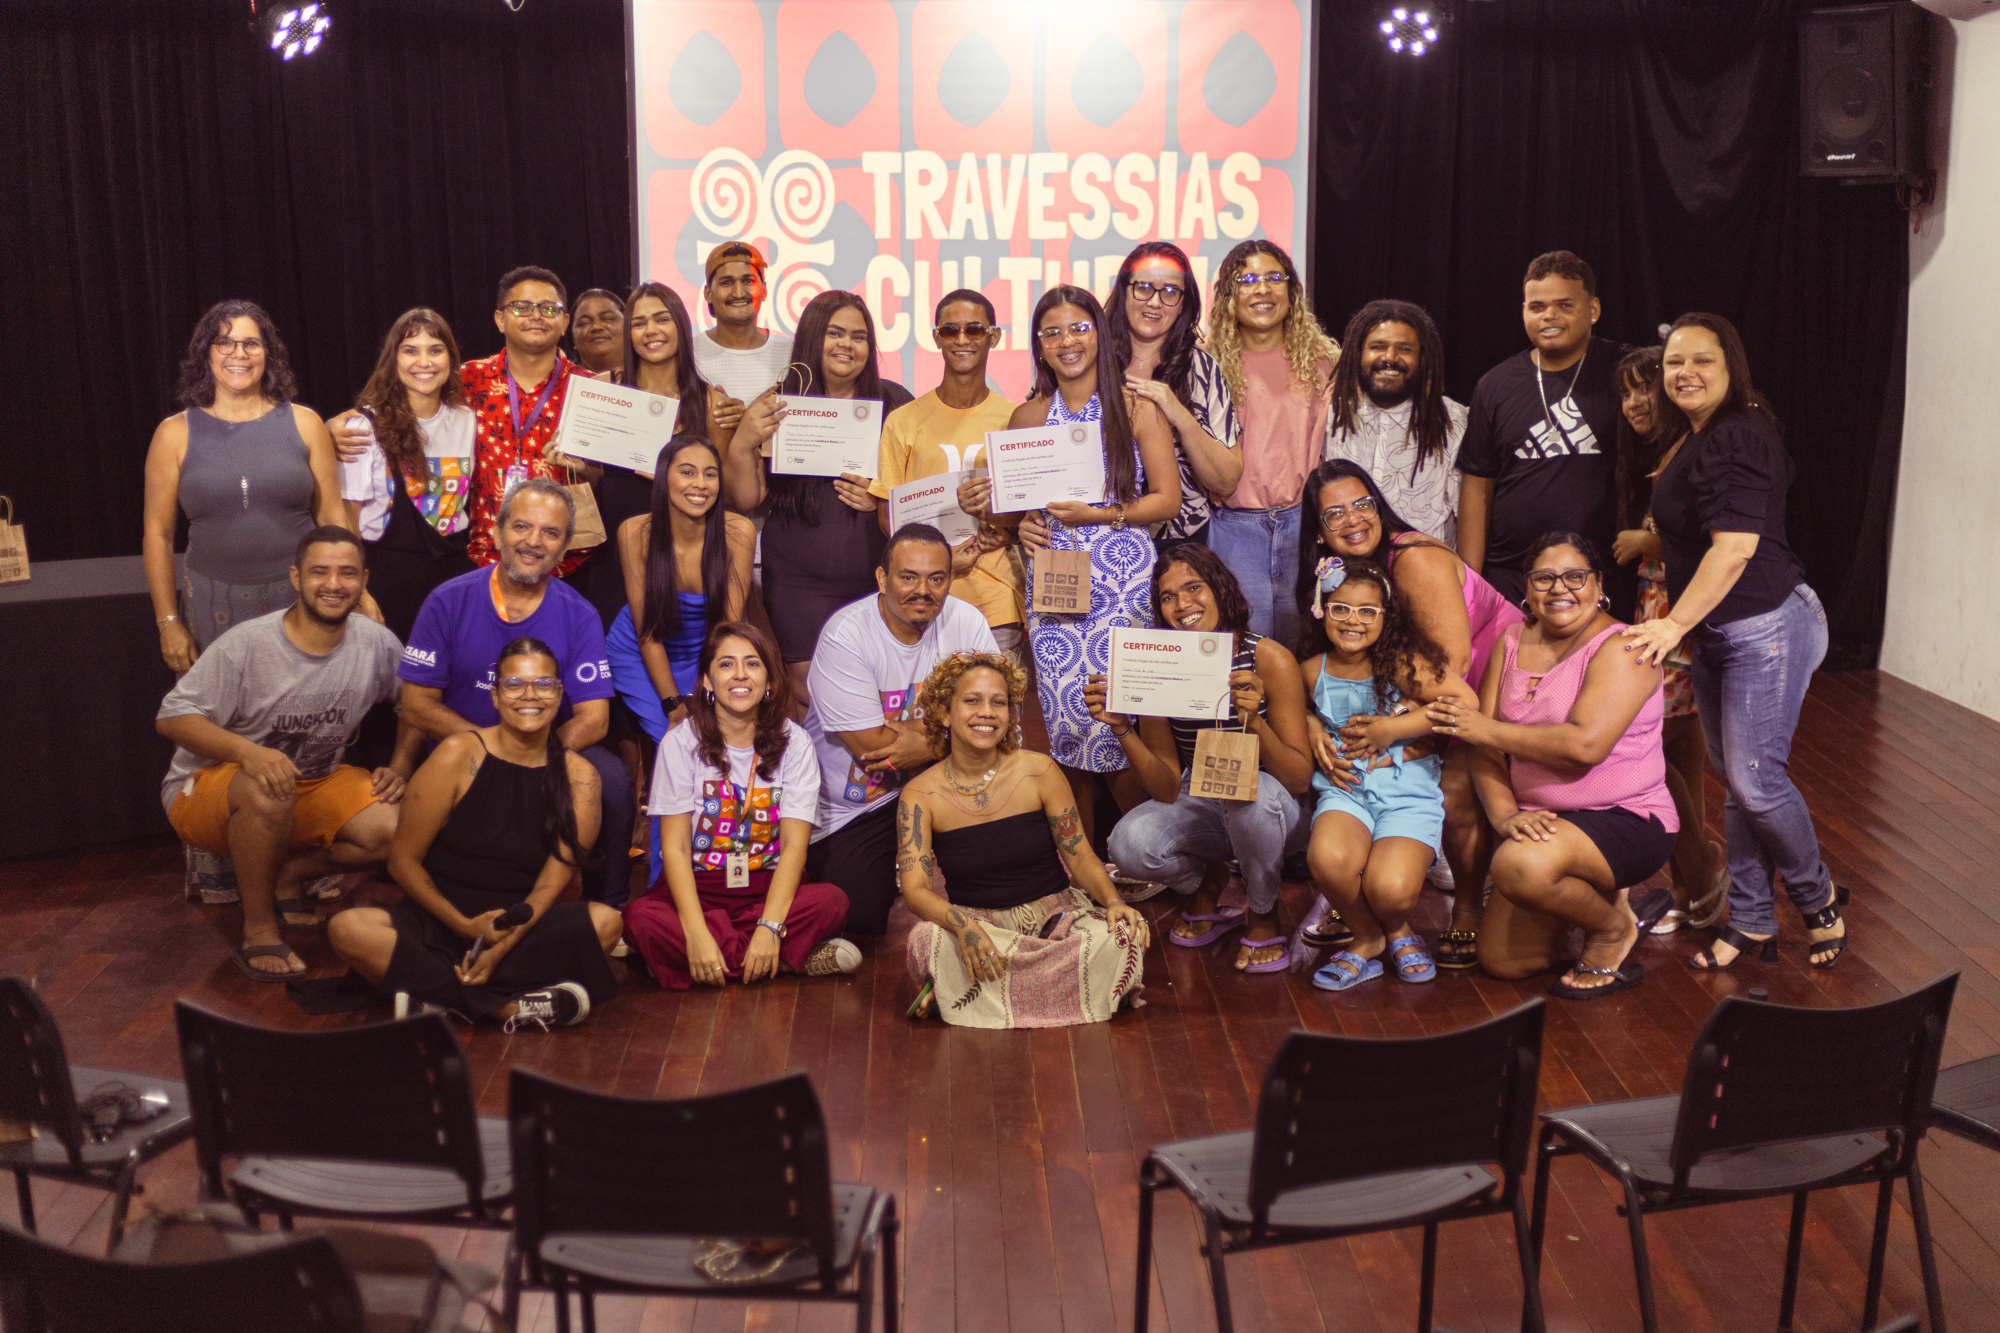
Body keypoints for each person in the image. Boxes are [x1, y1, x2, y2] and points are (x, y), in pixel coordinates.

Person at [1623, 313, 1847, 970]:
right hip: (1723, 630)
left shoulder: (1738, 437)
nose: (1683, 373)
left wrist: (1671, 624)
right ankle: (1751, 918)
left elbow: (1736, 549)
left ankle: (1818, 895)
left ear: (1732, 369)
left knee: (1754, 778)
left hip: (1766, 625)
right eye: (1673, 363)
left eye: (1702, 361)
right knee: (1740, 779)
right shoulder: (1703, 434)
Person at [157, 526, 420, 979]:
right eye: (320, 572)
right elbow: (172, 717)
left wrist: (400, 765)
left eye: (347, 574)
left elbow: (416, 703)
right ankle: (259, 931)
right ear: (296, 578)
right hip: (209, 790)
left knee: (405, 825)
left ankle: (288, 874)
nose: (334, 585)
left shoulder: (375, 641)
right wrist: (248, 753)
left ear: (363, 580)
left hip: (312, 783)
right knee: (267, 788)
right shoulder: (249, 644)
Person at [326, 636, 623, 1031]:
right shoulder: (456, 753)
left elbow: (548, 889)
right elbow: (402, 862)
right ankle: (508, 1009)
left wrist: (500, 948)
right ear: (496, 696)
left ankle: (436, 996)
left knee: (607, 922)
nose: (529, 695)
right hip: (440, 922)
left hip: (521, 929)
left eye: (544, 684)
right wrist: (465, 927)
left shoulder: (581, 778)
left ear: (559, 694)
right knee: (347, 929)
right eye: (514, 684)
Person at [1294, 459, 1522, 968]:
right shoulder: (1341, 585)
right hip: (1415, 682)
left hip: (1484, 677)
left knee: (1457, 787)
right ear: (1320, 533)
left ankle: (1466, 907)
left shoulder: (1412, 559)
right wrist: (1312, 721)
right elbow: (1305, 679)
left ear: (1380, 506)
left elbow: (1455, 666)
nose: (1353, 519)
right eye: (1335, 514)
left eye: (1362, 504)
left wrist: (1396, 729)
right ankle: (1359, 901)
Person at [975, 285, 1179, 849]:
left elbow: (1167, 500)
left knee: (1119, 714)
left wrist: (1101, 513)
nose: (1068, 341)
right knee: (1068, 726)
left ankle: (1149, 853)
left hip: (1123, 582)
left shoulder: (1135, 408)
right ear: (1039, 347)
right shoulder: (1027, 416)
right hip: (1056, 584)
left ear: (1100, 334)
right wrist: (1017, 523)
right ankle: (1089, 875)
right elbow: (1007, 508)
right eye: (1053, 332)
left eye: (1079, 327)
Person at [1429, 534, 1677, 995]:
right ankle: (1585, 896)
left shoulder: (1625, 647)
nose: (1559, 589)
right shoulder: (1512, 639)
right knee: (1504, 962)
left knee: (1518, 866)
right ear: (1527, 587)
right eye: (1544, 578)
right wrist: (1504, 815)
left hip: (1624, 817)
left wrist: (1484, 728)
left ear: (1598, 583)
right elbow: (1484, 750)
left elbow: (1583, 746)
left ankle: (1611, 927)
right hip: (1547, 822)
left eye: (1574, 576)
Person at [398, 478, 636, 907]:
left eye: (551, 533)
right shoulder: (447, 601)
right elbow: (416, 704)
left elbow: (595, 719)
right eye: (522, 527)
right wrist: (489, 752)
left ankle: (608, 905)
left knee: (613, 779)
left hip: (547, 747)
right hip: (463, 752)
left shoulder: (579, 614)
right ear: (496, 530)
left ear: (565, 547)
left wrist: (532, 757)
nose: (533, 542)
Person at [1092, 545, 1314, 972]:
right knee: (1128, 844)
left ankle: (1263, 912)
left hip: (1279, 808)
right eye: (1168, 596)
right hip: (1206, 797)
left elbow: (1300, 779)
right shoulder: (1161, 663)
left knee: (1252, 797)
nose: (1183, 604)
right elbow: (1166, 786)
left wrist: (1255, 724)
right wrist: (1122, 727)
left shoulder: (1269, 658)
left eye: (1194, 587)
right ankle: (1207, 881)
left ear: (1220, 589)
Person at [898, 653, 1150, 1027]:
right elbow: (915, 889)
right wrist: (965, 928)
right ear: (943, 712)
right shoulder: (920, 795)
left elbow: (1079, 854)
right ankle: (1046, 991)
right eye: (972, 700)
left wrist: (1112, 902)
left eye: (998, 702)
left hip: (1056, 921)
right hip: (981, 931)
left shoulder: (1039, 771)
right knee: (925, 941)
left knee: (1121, 937)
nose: (987, 712)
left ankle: (961, 994)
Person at [621, 622, 860, 989]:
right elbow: (676, 849)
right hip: (700, 888)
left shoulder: (795, 743)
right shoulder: (679, 743)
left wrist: (768, 925)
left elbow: (796, 846)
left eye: (752, 664)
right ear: (706, 680)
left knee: (832, 901)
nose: (739, 675)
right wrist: (696, 930)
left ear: (769, 683)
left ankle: (698, 963)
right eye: (726, 664)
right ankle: (783, 961)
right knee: (640, 917)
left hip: (766, 889)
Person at [332, 266, 601, 581]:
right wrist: (335, 426)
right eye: (521, 307)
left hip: (566, 564)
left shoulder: (593, 392)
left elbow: (610, 482)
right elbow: (402, 405)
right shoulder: (467, 380)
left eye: (548, 308)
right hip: (478, 562)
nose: (535, 315)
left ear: (565, 321)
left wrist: (583, 468)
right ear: (500, 319)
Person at [801, 524, 999, 935]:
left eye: (936, 578)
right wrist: (955, 730)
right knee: (858, 918)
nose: (922, 590)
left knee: (999, 878)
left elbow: (996, 718)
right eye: (908, 576)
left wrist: (927, 739)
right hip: (856, 806)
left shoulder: (968, 623)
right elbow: (874, 749)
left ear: (950, 579)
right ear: (882, 578)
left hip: (939, 786)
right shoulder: (847, 635)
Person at [725, 290, 916, 703]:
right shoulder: (778, 402)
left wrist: (881, 499)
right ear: (813, 337)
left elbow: (919, 494)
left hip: (876, 577)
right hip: (799, 581)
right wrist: (742, 442)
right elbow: (747, 497)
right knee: (811, 692)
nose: (847, 344)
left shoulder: (895, 403)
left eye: (859, 336)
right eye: (835, 333)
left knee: (880, 690)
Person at [1296, 558, 1472, 991]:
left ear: (1385, 617)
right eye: (1340, 608)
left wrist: (1396, 727)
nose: (1352, 620)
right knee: (1326, 860)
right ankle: (1371, 937)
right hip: (1346, 789)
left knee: (1390, 889)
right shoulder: (1311, 669)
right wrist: (1310, 723)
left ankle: (1397, 927)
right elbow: (1290, 707)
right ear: (1321, 609)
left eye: (1367, 611)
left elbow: (1467, 704)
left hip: (1407, 790)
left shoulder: (1403, 662)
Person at [144, 300, 345, 671]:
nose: (240, 353)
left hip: (300, 596)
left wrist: (354, 590)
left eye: (252, 343)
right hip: (212, 603)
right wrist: (168, 622)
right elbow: (158, 535)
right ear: (206, 353)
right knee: (222, 718)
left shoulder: (305, 423)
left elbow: (333, 517)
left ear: (268, 353)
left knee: (302, 713)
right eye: (225, 343)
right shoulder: (173, 433)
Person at [1609, 345, 1726, 934]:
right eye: (1625, 391)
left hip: (1683, 614)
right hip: (1656, 608)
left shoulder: (1698, 451)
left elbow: (1721, 539)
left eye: (1644, 388)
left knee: (1655, 746)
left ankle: (1702, 871)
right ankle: (1693, 889)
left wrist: (1645, 543)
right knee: (1682, 747)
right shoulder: (1656, 452)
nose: (1634, 402)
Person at [1457, 250, 1635, 617]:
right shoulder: (1495, 384)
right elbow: (1477, 486)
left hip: (1602, 574)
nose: (1549, 316)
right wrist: (1471, 581)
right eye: (1536, 307)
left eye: (1564, 305)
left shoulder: (1627, 372)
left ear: (1594, 309)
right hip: (1511, 576)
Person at [872, 289, 1024, 668]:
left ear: (994, 337)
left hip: (996, 596)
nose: (961, 340)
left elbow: (1029, 508)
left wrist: (1004, 522)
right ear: (936, 337)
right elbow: (886, 516)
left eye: (974, 330)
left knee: (995, 718)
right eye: (950, 329)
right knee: (922, 721)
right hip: (920, 597)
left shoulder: (1016, 419)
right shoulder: (904, 420)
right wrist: (937, 562)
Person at [1202, 240, 1340, 648]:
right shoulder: (1207, 366)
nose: (1262, 289)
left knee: (1305, 651)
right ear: (1229, 296)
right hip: (1233, 530)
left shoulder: (1323, 362)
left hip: (1305, 525)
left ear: (1291, 291)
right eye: (1246, 280)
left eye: (1273, 278)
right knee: (1245, 657)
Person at [590, 282, 737, 627]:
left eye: (662, 319)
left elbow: (725, 490)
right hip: (611, 549)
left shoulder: (712, 404)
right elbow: (596, 475)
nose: (650, 331)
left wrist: (677, 481)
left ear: (681, 329)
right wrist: (574, 464)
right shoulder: (602, 388)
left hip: (683, 555)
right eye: (639, 323)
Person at [334, 307, 478, 639]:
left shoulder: (468, 419)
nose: (424, 362)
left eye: (435, 350)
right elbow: (345, 520)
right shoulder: (363, 427)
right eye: (410, 350)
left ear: (451, 358)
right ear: (393, 359)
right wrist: (358, 591)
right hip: (387, 581)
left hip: (453, 575)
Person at [607, 434, 755, 743]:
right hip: (641, 651)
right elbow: (647, 632)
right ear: (664, 478)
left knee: (718, 738)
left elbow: (727, 630)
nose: (700, 483)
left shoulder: (738, 532)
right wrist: (674, 706)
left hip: (707, 651)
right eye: (687, 472)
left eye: (710, 474)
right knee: (678, 743)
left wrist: (704, 696)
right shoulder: (634, 532)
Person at [1104, 243, 1243, 543]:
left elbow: (1226, 481)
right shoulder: (1090, 362)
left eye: (1170, 292)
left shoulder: (1203, 369)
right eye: (1143, 288)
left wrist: (1180, 415)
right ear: (1123, 292)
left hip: (1183, 544)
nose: (1155, 302)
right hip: (1097, 538)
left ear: (1183, 303)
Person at [1323, 299, 1466, 546]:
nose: (1390, 357)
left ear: (1423, 358)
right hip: (1348, 569)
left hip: (1428, 570)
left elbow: (1467, 511)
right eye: (1377, 346)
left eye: (1405, 349)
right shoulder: (1330, 414)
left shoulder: (1451, 419)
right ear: (1357, 354)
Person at [691, 240, 795, 412]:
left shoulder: (791, 352)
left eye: (748, 281)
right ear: (708, 294)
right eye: (726, 282)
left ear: (763, 290)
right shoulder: (689, 353)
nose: (738, 292)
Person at [570, 288, 627, 377]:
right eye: (584, 323)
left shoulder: (651, 378)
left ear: (629, 327)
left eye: (608, 318)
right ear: (573, 339)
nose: (596, 326)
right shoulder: (559, 384)